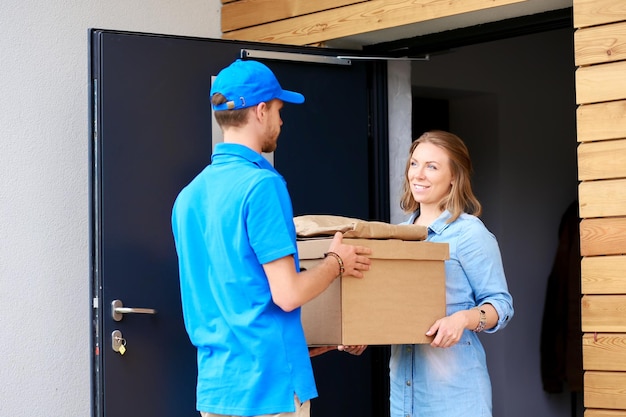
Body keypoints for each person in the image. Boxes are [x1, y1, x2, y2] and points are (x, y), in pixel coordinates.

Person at [171, 59, 371, 417]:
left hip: (217, 390)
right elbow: (287, 294)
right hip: (270, 391)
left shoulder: (188, 197)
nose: (281, 121)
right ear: (260, 111)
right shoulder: (262, 185)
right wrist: (336, 263)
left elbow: (235, 296)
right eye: (279, 110)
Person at [390, 130, 514, 417]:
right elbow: (391, 306)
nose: (418, 175)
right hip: (402, 393)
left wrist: (462, 319)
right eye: (414, 164)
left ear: (454, 177)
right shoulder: (398, 236)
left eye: (432, 166)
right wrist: (361, 331)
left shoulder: (469, 234)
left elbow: (502, 305)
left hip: (455, 395)